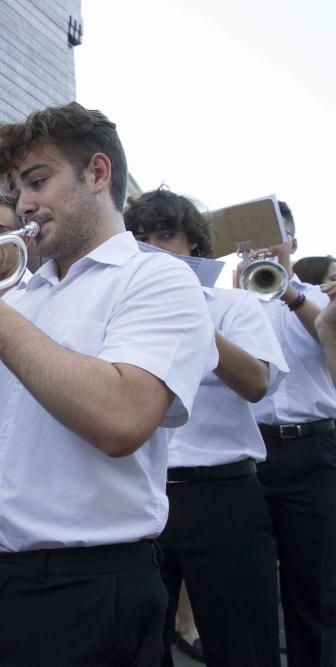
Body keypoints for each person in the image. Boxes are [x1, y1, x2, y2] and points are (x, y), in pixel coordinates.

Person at [0, 102, 215, 665]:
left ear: (98, 173)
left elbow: (121, 419)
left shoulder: (157, 280)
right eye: (17, 189)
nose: (25, 204)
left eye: (38, 181)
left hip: (87, 594)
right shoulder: (18, 296)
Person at [126, 187, 287, 666]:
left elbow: (258, 383)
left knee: (242, 643)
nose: (154, 246)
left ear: (193, 243)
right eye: (141, 237)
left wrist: (199, 323)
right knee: (138, 643)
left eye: (166, 235)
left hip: (222, 495)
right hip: (142, 490)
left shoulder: (232, 305)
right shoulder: (124, 306)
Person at [247, 201, 336, 666]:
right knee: (249, 588)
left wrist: (290, 296)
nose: (266, 242)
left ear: (293, 244)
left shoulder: (322, 298)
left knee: (315, 588)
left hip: (314, 449)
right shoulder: (236, 300)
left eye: (275, 233)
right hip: (254, 454)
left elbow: (329, 342)